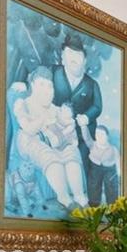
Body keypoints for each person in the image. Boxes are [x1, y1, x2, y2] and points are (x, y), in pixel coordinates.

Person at [11, 67, 86, 209]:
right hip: (31, 140)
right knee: (48, 155)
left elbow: (66, 126)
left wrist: (69, 127)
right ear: (33, 85)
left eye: (49, 86)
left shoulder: (56, 109)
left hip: (56, 140)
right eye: (42, 85)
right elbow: (28, 129)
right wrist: (42, 118)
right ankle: (64, 197)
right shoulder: (23, 104)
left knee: (71, 151)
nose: (47, 90)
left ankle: (79, 196)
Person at [50, 32, 102, 166]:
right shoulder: (53, 72)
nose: (73, 58)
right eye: (70, 53)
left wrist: (86, 117)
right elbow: (39, 78)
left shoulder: (92, 84)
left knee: (81, 165)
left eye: (78, 55)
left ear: (84, 60)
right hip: (56, 130)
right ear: (63, 56)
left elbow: (97, 106)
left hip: (81, 136)